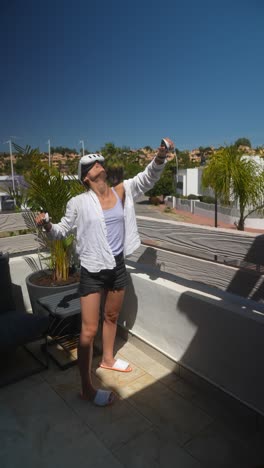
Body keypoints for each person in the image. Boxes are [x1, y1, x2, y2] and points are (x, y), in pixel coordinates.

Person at [35, 138, 173, 406]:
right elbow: (62, 231)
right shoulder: (78, 202)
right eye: (92, 163)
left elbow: (147, 179)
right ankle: (86, 388)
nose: (99, 164)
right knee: (88, 330)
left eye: (99, 161)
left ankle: (108, 359)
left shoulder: (122, 190)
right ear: (86, 177)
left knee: (111, 316)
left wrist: (159, 158)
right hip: (92, 269)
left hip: (118, 265)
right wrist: (48, 226)